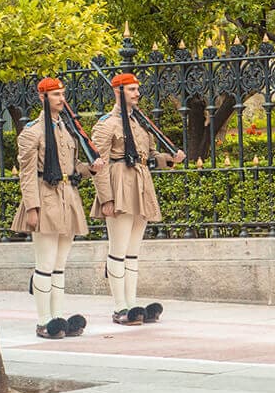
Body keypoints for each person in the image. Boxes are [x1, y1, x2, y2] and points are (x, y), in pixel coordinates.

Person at [11, 77, 103, 339]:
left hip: (68, 197)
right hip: (45, 196)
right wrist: (31, 207)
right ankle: (43, 320)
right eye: (55, 95)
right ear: (42, 98)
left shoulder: (67, 129)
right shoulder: (32, 132)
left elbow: (73, 169)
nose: (61, 99)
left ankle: (57, 318)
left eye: (62, 94)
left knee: (60, 265)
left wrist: (91, 169)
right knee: (45, 263)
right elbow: (27, 174)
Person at [90, 72, 185, 325]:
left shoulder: (140, 123)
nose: (137, 93)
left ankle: (132, 304)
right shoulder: (105, 124)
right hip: (119, 184)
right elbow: (99, 165)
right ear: (118, 92)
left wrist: (171, 159)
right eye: (132, 90)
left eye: (136, 89)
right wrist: (105, 198)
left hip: (141, 184)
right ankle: (120, 306)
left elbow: (150, 155)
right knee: (118, 249)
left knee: (133, 251)